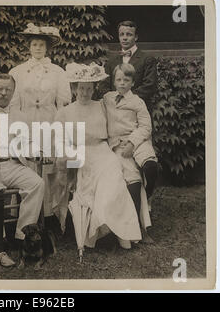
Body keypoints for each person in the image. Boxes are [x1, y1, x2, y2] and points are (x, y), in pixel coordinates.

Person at [55, 62, 145, 260]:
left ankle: (119, 229)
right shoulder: (65, 112)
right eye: (81, 88)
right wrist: (69, 158)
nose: (85, 92)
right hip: (80, 154)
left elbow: (121, 123)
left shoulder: (101, 106)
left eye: (89, 88)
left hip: (102, 150)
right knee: (88, 182)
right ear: (74, 89)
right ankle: (103, 226)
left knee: (113, 177)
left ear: (94, 89)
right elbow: (60, 140)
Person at [9, 23, 71, 234]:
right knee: (29, 167)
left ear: (47, 48)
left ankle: (49, 216)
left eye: (41, 45)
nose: (37, 48)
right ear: (28, 46)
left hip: (49, 122)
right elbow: (13, 104)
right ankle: (29, 219)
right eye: (34, 44)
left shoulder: (57, 72)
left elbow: (63, 102)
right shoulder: (17, 72)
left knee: (49, 169)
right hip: (26, 122)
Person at [0, 73, 45, 267]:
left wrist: (38, 152)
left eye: (8, 89)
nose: (4, 93)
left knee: (37, 183)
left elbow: (28, 142)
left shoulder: (20, 115)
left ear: (14, 92)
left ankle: (21, 234)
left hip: (12, 164)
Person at [103, 20, 159, 200]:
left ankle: (147, 196)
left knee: (144, 158)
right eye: (122, 34)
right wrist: (115, 97)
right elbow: (105, 87)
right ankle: (132, 198)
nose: (125, 38)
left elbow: (149, 86)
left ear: (136, 37)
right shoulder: (112, 61)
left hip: (137, 115)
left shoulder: (146, 59)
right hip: (116, 117)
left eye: (129, 34)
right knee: (126, 164)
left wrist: (128, 96)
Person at [103, 63, 156, 243]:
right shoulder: (107, 98)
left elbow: (146, 126)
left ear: (133, 82)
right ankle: (135, 226)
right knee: (133, 178)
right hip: (117, 145)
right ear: (113, 81)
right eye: (118, 79)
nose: (122, 83)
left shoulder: (137, 101)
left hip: (135, 140)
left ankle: (147, 198)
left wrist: (133, 143)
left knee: (149, 165)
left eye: (126, 80)